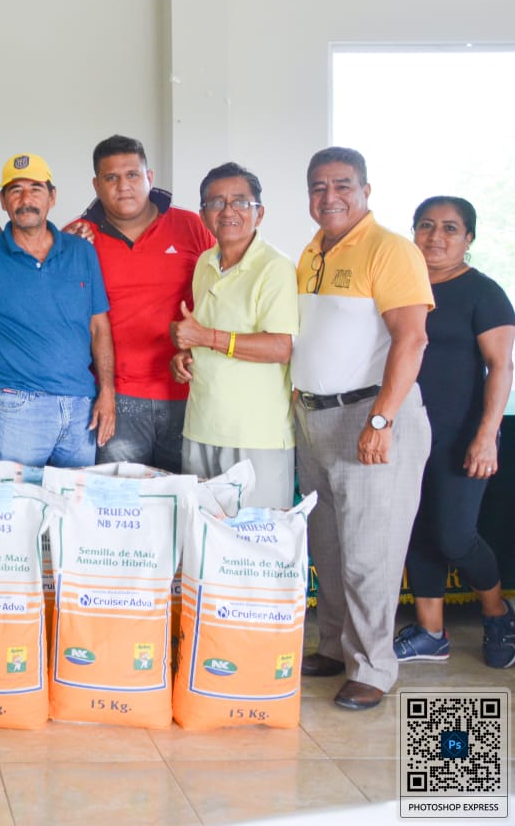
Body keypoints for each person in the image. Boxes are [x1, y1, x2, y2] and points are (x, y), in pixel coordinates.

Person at [292, 147, 433, 711]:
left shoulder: (390, 249)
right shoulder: (311, 252)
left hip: (370, 415)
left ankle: (373, 667)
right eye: (318, 187)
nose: (329, 197)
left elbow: (412, 338)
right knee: (326, 545)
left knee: (369, 554)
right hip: (314, 417)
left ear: (366, 191)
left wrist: (381, 419)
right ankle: (334, 646)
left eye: (342, 185)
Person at [392, 196, 515, 668]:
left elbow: (501, 366)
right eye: (426, 225)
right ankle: (430, 633)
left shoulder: (483, 292)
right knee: (417, 528)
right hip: (406, 432)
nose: (435, 236)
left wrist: (487, 434)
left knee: (455, 535)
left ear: (469, 238)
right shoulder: (401, 288)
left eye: (449, 228)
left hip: (463, 434)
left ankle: (497, 613)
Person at [0, 153, 115, 467]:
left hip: (80, 407)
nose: (26, 199)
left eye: (36, 189)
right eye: (15, 190)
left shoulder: (82, 252)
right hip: (16, 408)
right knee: (14, 498)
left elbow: (99, 327)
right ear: (2, 200)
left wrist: (107, 392)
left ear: (52, 197)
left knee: (75, 498)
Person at [66, 135, 213, 472]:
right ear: (96, 185)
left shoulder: (190, 226)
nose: (124, 186)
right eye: (111, 178)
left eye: (132, 175)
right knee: (120, 501)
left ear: (149, 177)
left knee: (185, 497)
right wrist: (63, 253)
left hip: (188, 392)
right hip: (116, 399)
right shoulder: (77, 237)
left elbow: (224, 288)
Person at [168, 163, 297, 508]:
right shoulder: (205, 263)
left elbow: (281, 347)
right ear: (203, 215)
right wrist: (186, 355)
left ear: (260, 213)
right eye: (216, 203)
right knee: (204, 535)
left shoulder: (275, 267)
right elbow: (206, 334)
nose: (228, 211)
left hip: (256, 436)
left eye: (240, 202)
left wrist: (205, 337)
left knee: (256, 538)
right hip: (201, 426)